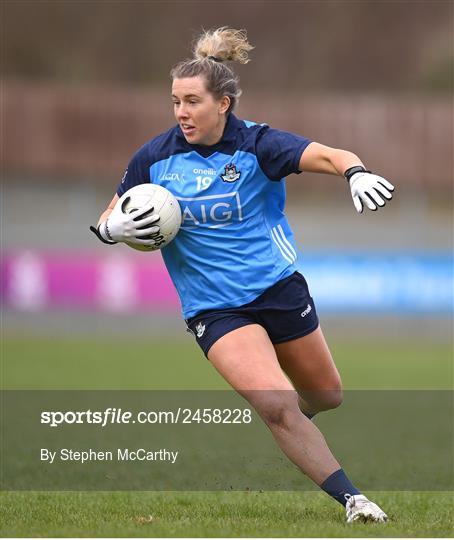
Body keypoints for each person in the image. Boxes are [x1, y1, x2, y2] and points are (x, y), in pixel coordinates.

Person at [90, 27, 394, 523]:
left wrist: (355, 173)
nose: (181, 113)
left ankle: (292, 422)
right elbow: (110, 215)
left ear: (223, 103)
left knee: (325, 395)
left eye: (192, 102)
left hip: (277, 288)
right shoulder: (154, 158)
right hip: (213, 307)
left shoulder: (259, 145)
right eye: (175, 102)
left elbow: (332, 155)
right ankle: (354, 501)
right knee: (275, 404)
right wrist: (112, 230)